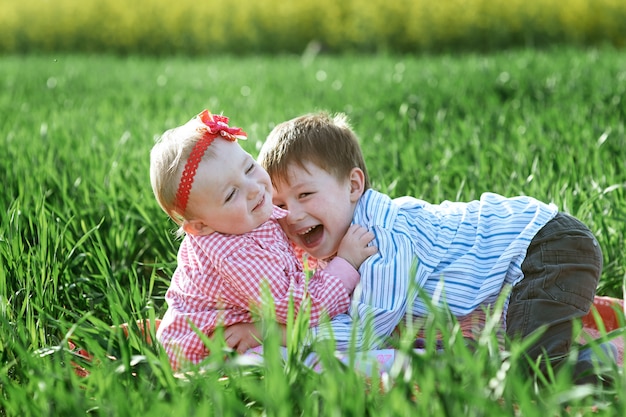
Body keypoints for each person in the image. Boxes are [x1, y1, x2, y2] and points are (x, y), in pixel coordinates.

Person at [232, 110, 604, 384]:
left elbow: (364, 335)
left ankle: (606, 376)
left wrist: (273, 333)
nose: (291, 214)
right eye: (280, 203)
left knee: (535, 370)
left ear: (352, 186)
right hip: (533, 255)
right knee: (500, 357)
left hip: (547, 248)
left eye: (305, 194)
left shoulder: (380, 239)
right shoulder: (340, 240)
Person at [149, 109, 377, 370]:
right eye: (231, 194)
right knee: (302, 359)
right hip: (210, 350)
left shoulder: (245, 216)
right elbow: (304, 310)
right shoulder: (237, 256)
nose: (253, 188)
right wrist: (345, 264)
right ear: (200, 226)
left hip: (244, 322)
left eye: (248, 167)